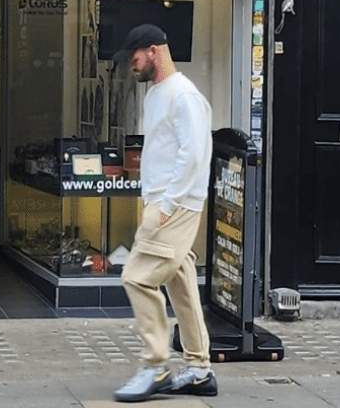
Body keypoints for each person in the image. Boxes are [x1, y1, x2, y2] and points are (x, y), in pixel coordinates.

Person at [113, 23, 217, 401]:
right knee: (181, 282)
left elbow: (194, 155)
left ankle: (155, 365)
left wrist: (166, 208)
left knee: (137, 277)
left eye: (135, 56)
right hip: (163, 201)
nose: (131, 64)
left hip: (174, 204)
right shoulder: (157, 93)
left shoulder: (183, 95)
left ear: (153, 51)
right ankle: (199, 369)